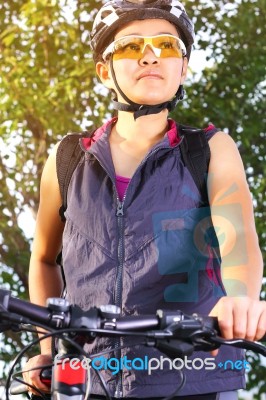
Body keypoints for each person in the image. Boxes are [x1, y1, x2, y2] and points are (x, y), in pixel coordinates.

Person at [23, 1, 266, 399]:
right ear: (105, 71)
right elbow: (44, 258)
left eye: (166, 46)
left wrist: (239, 300)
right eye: (131, 46)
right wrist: (46, 350)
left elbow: (236, 238)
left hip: (194, 375)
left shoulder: (209, 150)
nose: (151, 55)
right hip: (88, 377)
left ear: (182, 68)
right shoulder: (67, 159)